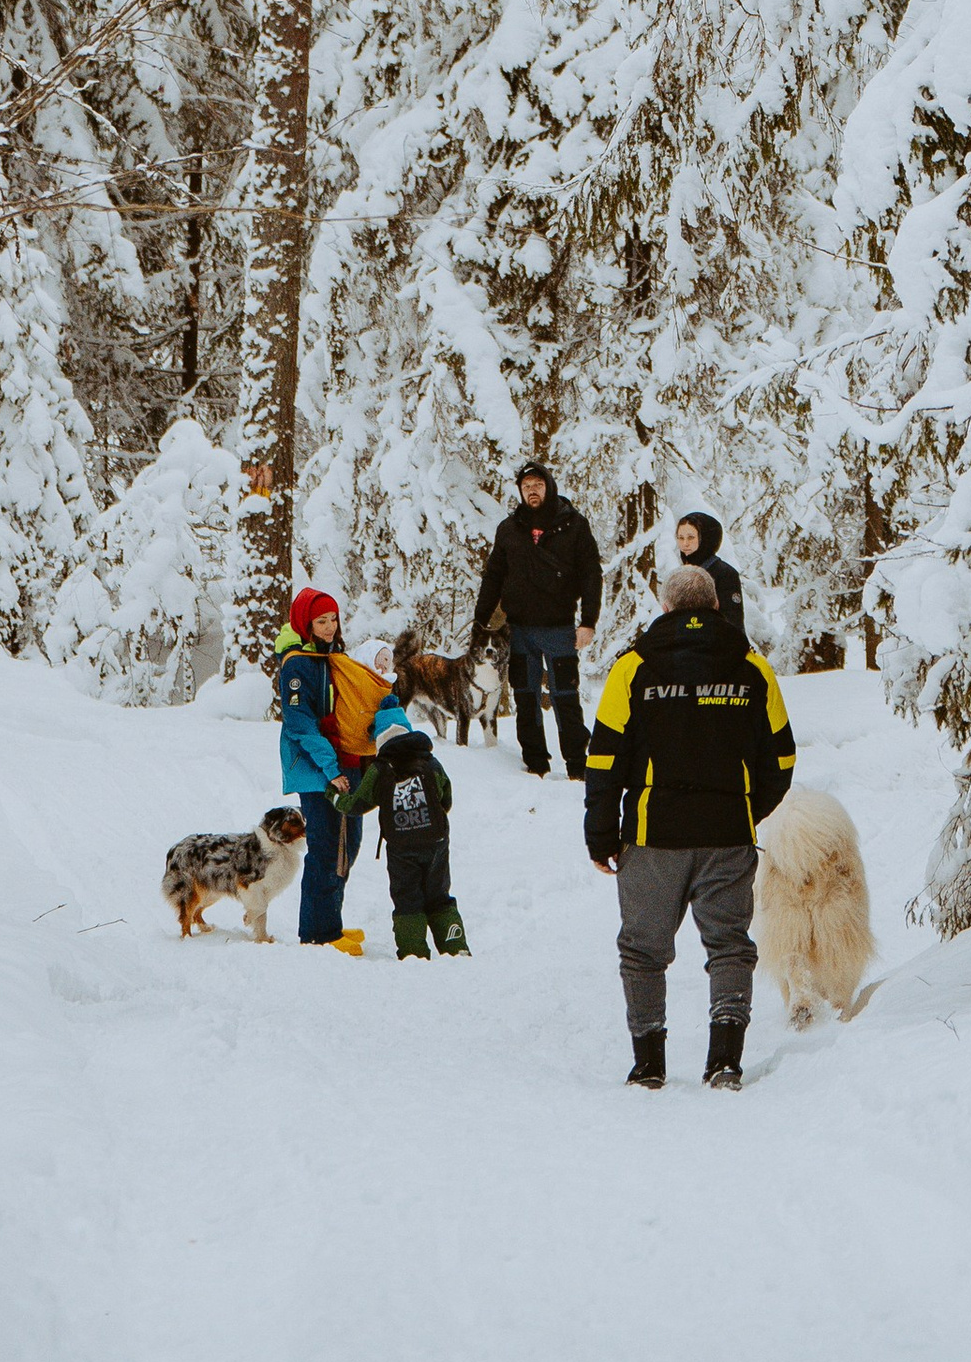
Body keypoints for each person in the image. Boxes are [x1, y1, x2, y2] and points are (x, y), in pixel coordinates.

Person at [583, 562, 795, 1090]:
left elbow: (604, 758)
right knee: (729, 945)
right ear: (717, 605)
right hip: (727, 832)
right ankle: (725, 1061)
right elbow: (782, 758)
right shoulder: (752, 666)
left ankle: (649, 1065)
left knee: (642, 951)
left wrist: (601, 834)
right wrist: (748, 809)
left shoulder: (632, 667)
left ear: (665, 608)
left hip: (654, 838)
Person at [469, 460, 602, 780]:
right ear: (520, 491)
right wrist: (480, 620)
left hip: (559, 629)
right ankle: (535, 764)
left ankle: (576, 764)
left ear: (549, 487)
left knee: (565, 697)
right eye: (526, 486)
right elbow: (494, 576)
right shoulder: (509, 528)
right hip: (519, 630)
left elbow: (591, 574)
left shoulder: (573, 525)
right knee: (525, 696)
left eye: (538, 485)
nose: (532, 491)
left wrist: (588, 621)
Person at [275, 587, 379, 950]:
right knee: (325, 848)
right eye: (321, 621)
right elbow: (300, 724)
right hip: (318, 769)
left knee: (347, 845)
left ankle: (331, 924)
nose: (330, 627)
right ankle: (317, 934)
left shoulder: (334, 656)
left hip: (345, 764)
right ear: (306, 623)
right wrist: (332, 767)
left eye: (333, 619)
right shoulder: (297, 665)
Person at [336, 699, 469, 958]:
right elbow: (447, 798)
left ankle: (413, 954)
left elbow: (355, 805)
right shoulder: (430, 762)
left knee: (408, 898)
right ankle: (456, 948)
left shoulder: (379, 769)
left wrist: (333, 796)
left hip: (401, 847)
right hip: (436, 841)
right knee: (440, 896)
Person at [673, 510, 743, 624]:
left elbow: (732, 624)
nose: (685, 543)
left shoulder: (724, 574)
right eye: (680, 537)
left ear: (706, 539)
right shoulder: (680, 574)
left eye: (691, 537)